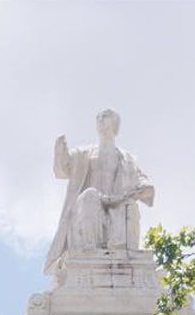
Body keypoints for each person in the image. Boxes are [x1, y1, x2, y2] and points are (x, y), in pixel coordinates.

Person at [43, 108, 154, 277]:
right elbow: (63, 170)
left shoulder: (126, 158)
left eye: (106, 117)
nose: (101, 120)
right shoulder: (85, 153)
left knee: (129, 206)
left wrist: (144, 187)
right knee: (90, 195)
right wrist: (60, 151)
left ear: (115, 124)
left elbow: (141, 179)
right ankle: (89, 247)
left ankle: (123, 253)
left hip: (116, 202)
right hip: (89, 203)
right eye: (99, 117)